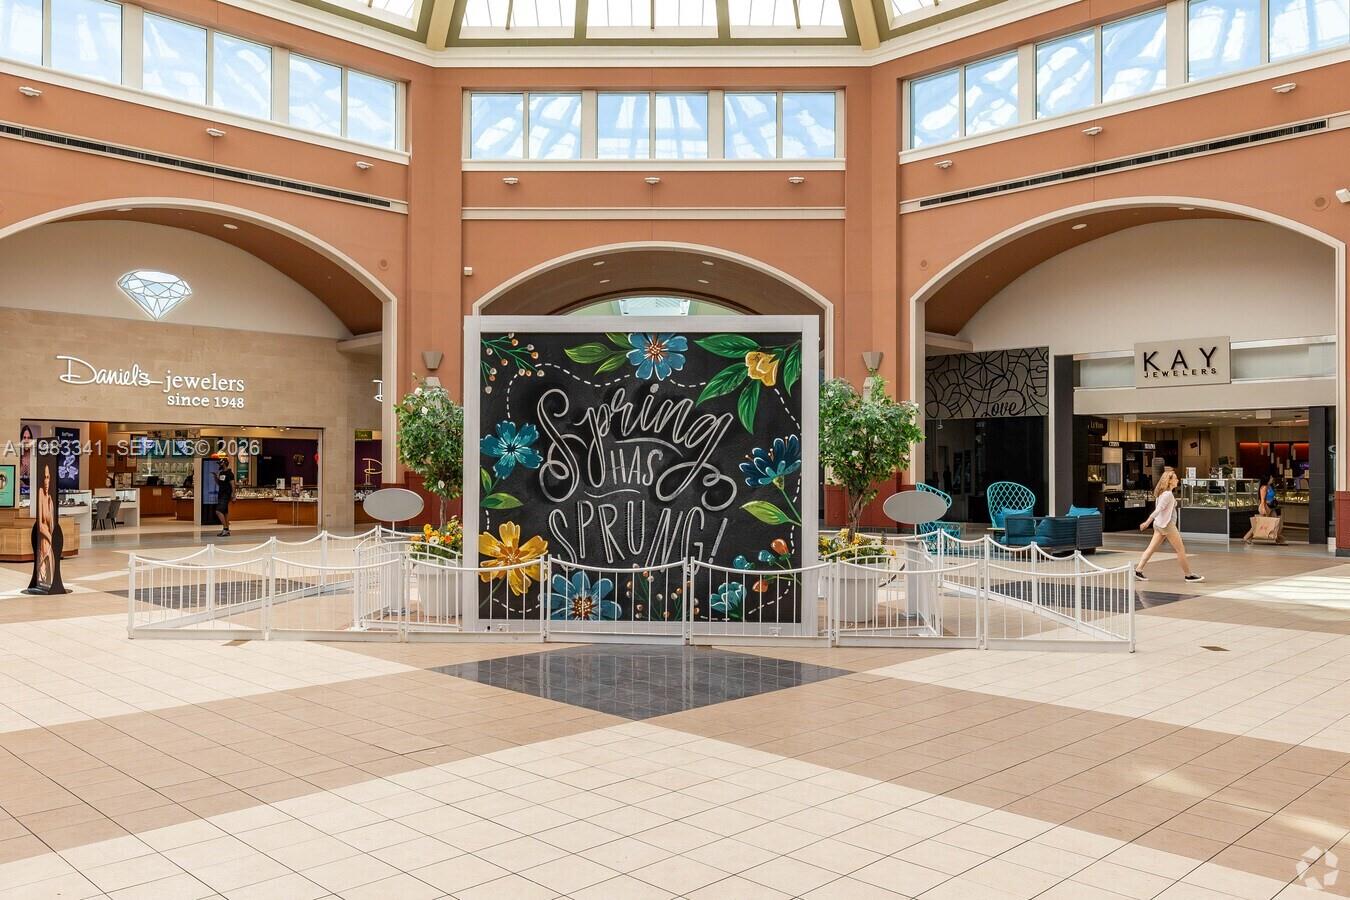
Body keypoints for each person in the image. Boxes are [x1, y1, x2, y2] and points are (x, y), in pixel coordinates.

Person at [1135, 468, 1203, 583]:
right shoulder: (1167, 495)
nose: (1177, 480)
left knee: (1151, 548)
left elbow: (1163, 509)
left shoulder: (1163, 493)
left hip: (1159, 524)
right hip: (1167, 525)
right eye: (1175, 478)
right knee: (1180, 550)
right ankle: (1188, 575)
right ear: (1169, 481)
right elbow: (1158, 510)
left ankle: (1138, 570)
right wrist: (1147, 522)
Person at [1243, 476, 1271, 545]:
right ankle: (1247, 537)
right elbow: (1263, 499)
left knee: (1260, 524)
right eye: (1271, 478)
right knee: (1258, 524)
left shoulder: (1265, 487)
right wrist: (1263, 508)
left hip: (1266, 507)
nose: (1272, 479)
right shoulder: (1264, 487)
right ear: (1267, 480)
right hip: (1264, 506)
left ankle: (1249, 538)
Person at [214, 457, 235, 537]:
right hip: (221, 494)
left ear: (225, 464)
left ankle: (225, 529)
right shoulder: (221, 473)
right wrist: (215, 477)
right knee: (225, 512)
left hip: (226, 494)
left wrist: (233, 494)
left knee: (218, 511)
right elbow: (219, 483)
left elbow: (232, 485)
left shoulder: (229, 473)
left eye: (221, 463)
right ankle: (226, 530)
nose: (219, 465)